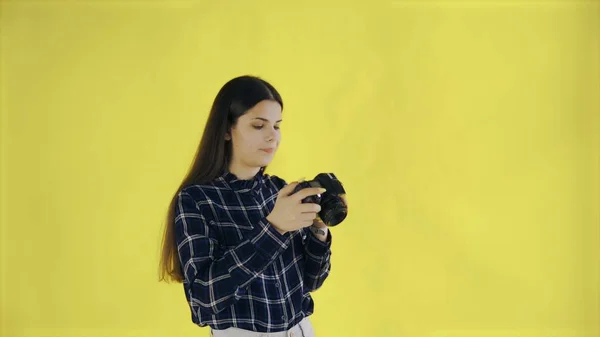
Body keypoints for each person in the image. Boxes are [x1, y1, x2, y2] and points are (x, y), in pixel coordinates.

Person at [158, 75, 347, 337]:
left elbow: (312, 281)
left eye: (277, 125)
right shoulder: (196, 200)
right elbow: (204, 300)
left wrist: (319, 227)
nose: (272, 137)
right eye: (259, 125)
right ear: (226, 129)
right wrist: (274, 228)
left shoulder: (280, 191)